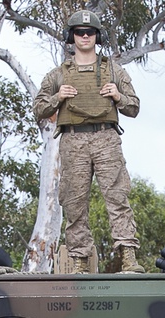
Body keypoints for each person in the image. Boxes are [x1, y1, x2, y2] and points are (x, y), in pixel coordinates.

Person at [33, 10, 145, 274]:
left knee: (117, 197)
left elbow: (134, 107)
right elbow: (38, 108)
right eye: (79, 32)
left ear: (98, 36)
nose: (85, 36)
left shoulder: (113, 70)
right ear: (70, 37)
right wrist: (57, 98)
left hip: (106, 137)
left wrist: (118, 96)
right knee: (74, 202)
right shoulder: (57, 75)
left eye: (90, 32)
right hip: (72, 139)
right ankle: (79, 259)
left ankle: (127, 255)